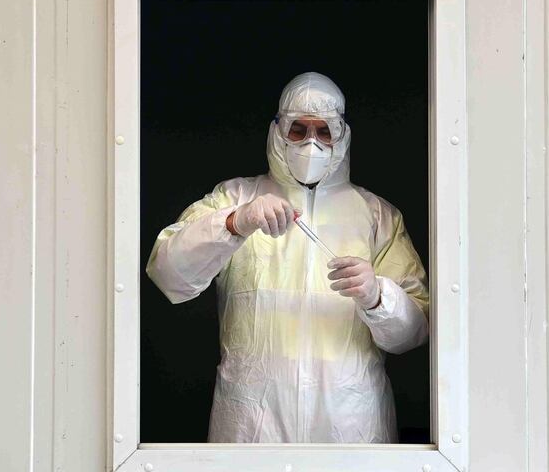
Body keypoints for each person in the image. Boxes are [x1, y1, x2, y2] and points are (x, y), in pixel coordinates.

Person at [146, 72, 429, 443]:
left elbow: (416, 330)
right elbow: (168, 274)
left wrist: (379, 297)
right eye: (298, 129)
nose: (312, 142)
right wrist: (233, 224)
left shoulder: (376, 216)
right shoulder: (234, 198)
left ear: (342, 135)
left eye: (324, 130)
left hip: (349, 426)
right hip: (253, 423)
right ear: (277, 131)